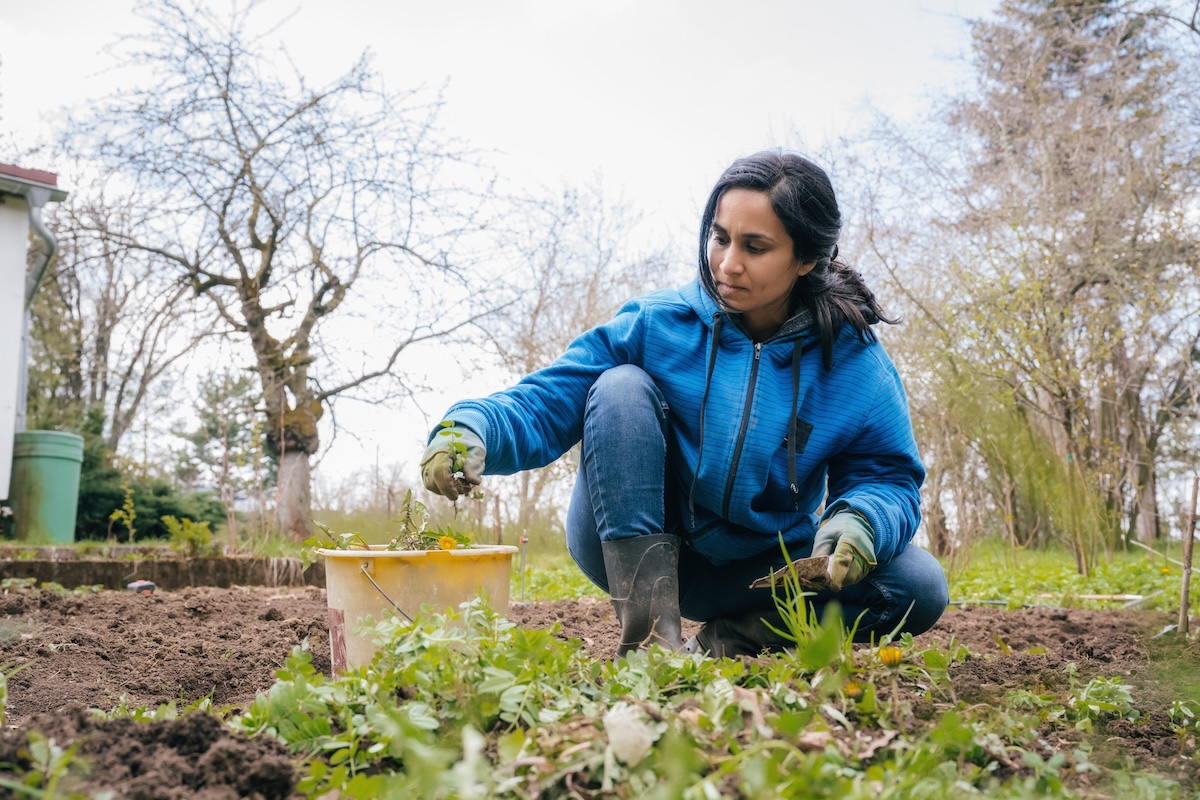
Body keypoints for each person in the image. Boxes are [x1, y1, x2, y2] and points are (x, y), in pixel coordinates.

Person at [421, 150, 948, 658]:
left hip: (762, 571)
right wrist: (471, 427)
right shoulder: (656, 323)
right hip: (634, 544)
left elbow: (887, 475)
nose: (728, 263)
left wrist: (862, 520)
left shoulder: (856, 365)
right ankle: (651, 644)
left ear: (807, 258)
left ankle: (732, 639)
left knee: (917, 586)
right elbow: (549, 398)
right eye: (720, 238)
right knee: (619, 385)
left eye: (755, 247)